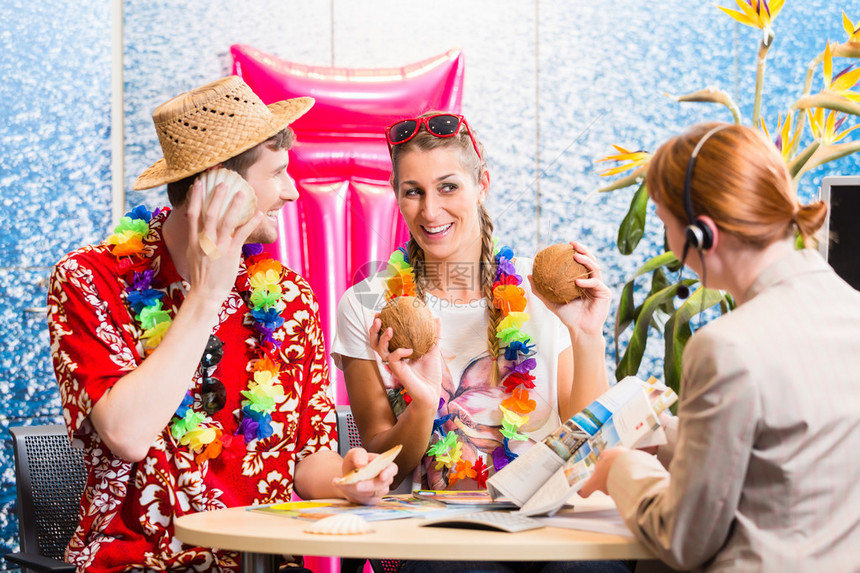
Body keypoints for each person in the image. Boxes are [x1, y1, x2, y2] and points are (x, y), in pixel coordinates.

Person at [47, 76, 395, 572]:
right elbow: (126, 435)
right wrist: (208, 293)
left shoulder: (290, 297)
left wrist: (348, 476)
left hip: (266, 564)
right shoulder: (89, 280)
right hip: (139, 564)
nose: (291, 192)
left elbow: (308, 460)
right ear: (218, 184)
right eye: (275, 174)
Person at [332, 112, 630, 572]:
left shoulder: (541, 288)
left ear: (482, 184)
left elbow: (586, 443)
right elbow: (379, 463)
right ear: (397, 196)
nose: (430, 211)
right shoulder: (366, 305)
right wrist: (424, 404)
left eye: (448, 187)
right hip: (437, 539)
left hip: (549, 525)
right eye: (413, 192)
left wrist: (586, 335)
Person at [579, 122, 860, 571]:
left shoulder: (727, 347)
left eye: (667, 224)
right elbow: (783, 457)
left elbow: (683, 538)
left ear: (700, 235)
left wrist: (620, 470)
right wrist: (667, 437)